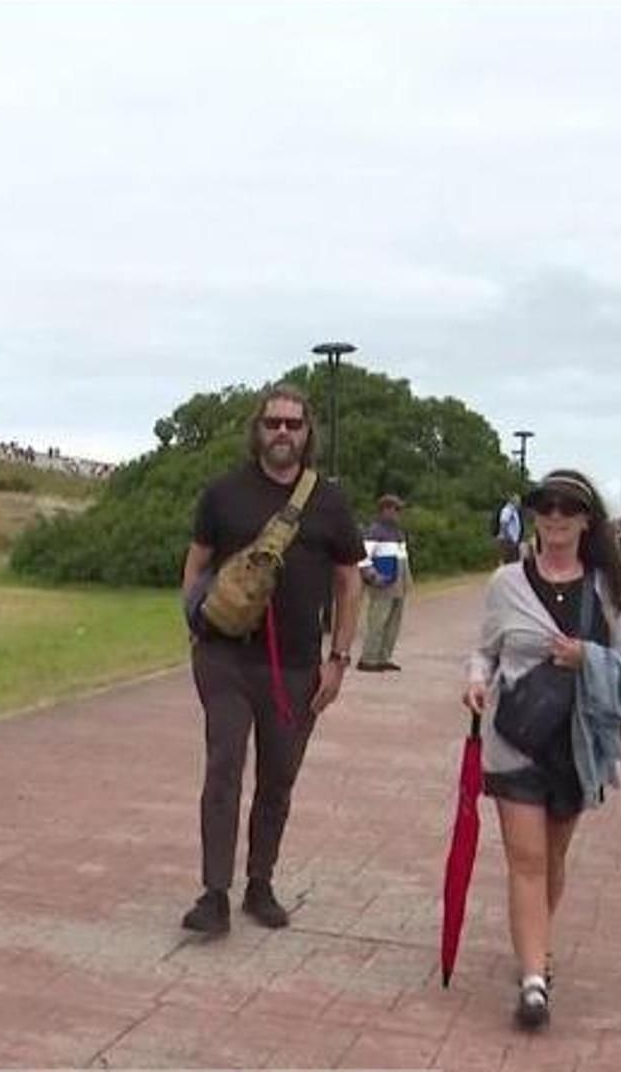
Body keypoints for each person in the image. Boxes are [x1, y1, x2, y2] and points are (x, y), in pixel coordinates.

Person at [179, 384, 365, 935]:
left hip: (297, 666)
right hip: (226, 660)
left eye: (293, 425)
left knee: (278, 779)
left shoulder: (328, 501)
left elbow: (348, 583)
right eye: (273, 423)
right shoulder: (223, 494)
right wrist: (194, 627)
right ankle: (214, 892)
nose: (282, 433)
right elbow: (195, 566)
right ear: (256, 429)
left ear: (308, 434)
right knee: (223, 768)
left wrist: (338, 660)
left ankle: (261, 882)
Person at [462, 469, 621, 1030]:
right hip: (514, 739)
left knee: (553, 859)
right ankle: (534, 980)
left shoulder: (607, 589)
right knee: (527, 859)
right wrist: (475, 679)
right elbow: (485, 649)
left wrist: (587, 657)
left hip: (576, 743)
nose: (556, 517)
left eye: (568, 508)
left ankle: (536, 944)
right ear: (535, 514)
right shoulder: (506, 583)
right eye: (546, 506)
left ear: (586, 520)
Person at [355, 495, 412, 673]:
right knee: (378, 621)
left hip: (398, 580)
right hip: (383, 580)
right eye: (395, 510)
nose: (398, 514)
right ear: (385, 510)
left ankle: (383, 657)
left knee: (393, 622)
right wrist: (372, 576)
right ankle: (369, 658)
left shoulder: (398, 532)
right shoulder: (375, 531)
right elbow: (362, 556)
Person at [496, 495, 524, 565]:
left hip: (514, 540)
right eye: (518, 502)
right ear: (514, 501)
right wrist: (508, 537)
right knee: (509, 561)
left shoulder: (514, 511)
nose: (520, 504)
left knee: (514, 560)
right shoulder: (507, 510)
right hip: (508, 540)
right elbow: (503, 524)